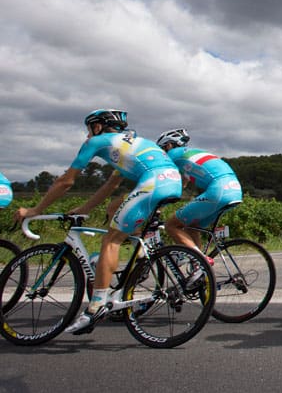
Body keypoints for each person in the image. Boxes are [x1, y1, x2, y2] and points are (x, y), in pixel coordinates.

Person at [14, 109, 183, 335]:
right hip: (172, 183)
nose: (87, 134)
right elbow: (110, 186)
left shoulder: (98, 142)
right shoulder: (133, 142)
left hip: (152, 184)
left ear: (97, 126)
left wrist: (35, 210)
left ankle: (96, 306)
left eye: (88, 129)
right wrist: (84, 209)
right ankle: (141, 254)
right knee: (114, 208)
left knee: (111, 241)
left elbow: (66, 181)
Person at [155, 129, 243, 263]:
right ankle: (199, 271)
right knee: (191, 226)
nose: (163, 153)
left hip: (218, 190)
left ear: (168, 145)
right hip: (235, 190)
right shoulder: (189, 155)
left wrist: (156, 207)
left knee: (171, 225)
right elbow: (180, 186)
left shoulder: (171, 155)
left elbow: (166, 185)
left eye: (162, 149)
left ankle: (201, 261)